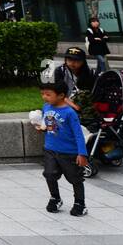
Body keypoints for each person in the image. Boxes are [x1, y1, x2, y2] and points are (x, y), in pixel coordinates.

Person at [35, 80, 89, 216]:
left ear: (61, 95)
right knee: (49, 174)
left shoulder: (70, 113)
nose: (44, 97)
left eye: (48, 94)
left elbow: (78, 134)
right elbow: (48, 124)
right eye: (42, 94)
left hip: (69, 152)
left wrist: (82, 153)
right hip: (50, 149)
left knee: (75, 178)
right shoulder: (46, 107)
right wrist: (42, 128)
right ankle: (55, 198)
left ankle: (80, 203)